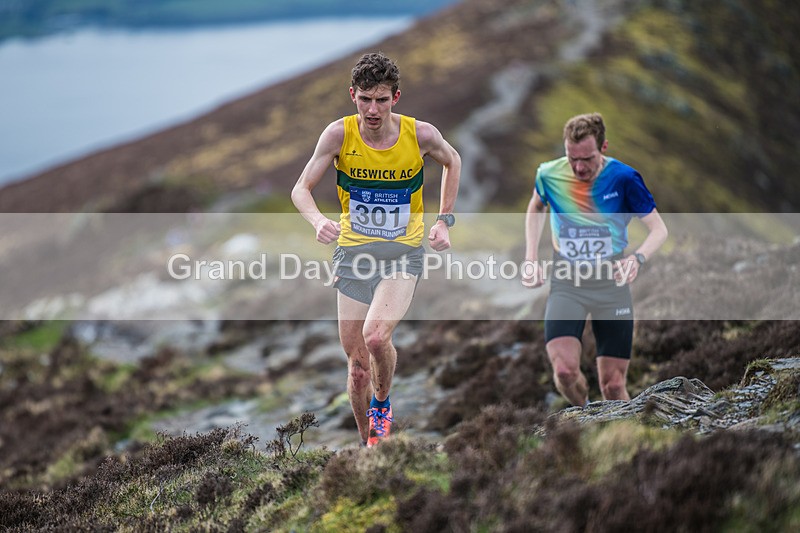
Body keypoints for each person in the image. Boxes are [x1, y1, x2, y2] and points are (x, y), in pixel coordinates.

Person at [291, 52, 461, 446]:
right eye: (365, 98)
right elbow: (300, 188)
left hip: (403, 256)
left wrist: (443, 220)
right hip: (353, 257)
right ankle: (371, 445)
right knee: (356, 370)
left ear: (395, 98)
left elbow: (453, 161)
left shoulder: (420, 135)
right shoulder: (338, 135)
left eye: (381, 99)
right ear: (353, 95)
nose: (372, 109)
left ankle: (382, 405)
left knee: (375, 338)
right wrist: (318, 221)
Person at [522, 113, 667, 406]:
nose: (578, 167)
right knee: (564, 372)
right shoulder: (549, 174)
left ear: (603, 147)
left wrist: (637, 259)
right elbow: (536, 207)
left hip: (610, 285)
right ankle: (585, 414)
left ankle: (621, 434)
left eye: (586, 158)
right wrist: (531, 257)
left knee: (613, 386)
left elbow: (659, 230)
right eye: (571, 157)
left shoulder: (624, 178)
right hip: (567, 282)